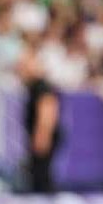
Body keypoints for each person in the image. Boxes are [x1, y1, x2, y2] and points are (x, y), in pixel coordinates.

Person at [19, 51, 63, 193]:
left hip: (43, 137)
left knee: (41, 176)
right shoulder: (33, 88)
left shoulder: (41, 87)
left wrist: (42, 137)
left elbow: (47, 113)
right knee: (38, 174)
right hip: (41, 136)